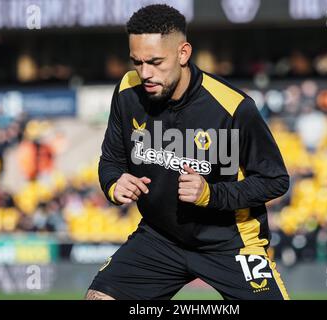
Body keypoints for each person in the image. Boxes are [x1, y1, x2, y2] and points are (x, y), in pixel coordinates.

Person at [86, 4, 290, 300]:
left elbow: (275, 180)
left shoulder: (233, 108)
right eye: (137, 62)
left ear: (183, 53)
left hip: (231, 243)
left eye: (155, 62)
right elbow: (111, 160)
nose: (145, 73)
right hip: (160, 238)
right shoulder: (126, 92)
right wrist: (114, 183)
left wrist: (211, 195)